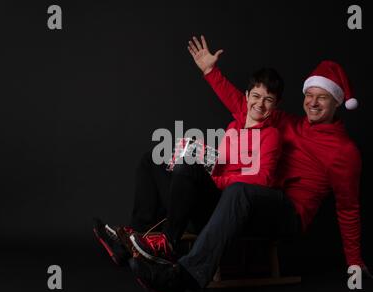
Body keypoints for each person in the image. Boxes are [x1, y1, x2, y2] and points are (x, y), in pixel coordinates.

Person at [128, 35, 373, 292]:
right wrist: (211, 72)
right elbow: (245, 106)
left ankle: (185, 277)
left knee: (239, 190)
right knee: (154, 159)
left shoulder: (345, 152)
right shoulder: (289, 123)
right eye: (309, 95)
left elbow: (348, 208)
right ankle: (137, 242)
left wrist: (354, 262)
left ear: (337, 102)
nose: (313, 103)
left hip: (286, 214)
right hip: (251, 200)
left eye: (322, 98)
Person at [93, 45, 285, 271]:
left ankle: (169, 243)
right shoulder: (235, 124)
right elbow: (220, 161)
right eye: (256, 96)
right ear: (247, 96)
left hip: (223, 209)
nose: (260, 104)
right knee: (152, 160)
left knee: (190, 167)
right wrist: (197, 159)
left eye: (268, 99)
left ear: (275, 105)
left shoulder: (271, 136)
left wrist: (214, 179)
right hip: (202, 198)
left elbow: (263, 179)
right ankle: (133, 237)